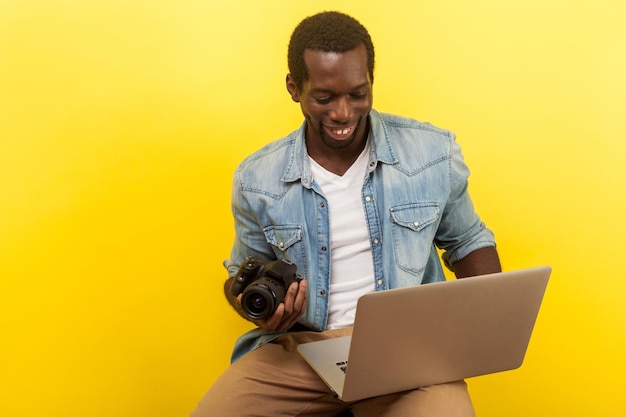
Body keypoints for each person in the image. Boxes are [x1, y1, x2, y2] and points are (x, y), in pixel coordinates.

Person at [192, 10, 501, 417]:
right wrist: (263, 308)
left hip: (408, 350)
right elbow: (240, 275)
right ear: (293, 87)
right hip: (300, 353)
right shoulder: (257, 178)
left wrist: (487, 322)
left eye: (358, 93)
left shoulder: (431, 154)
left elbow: (468, 242)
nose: (343, 113)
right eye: (324, 97)